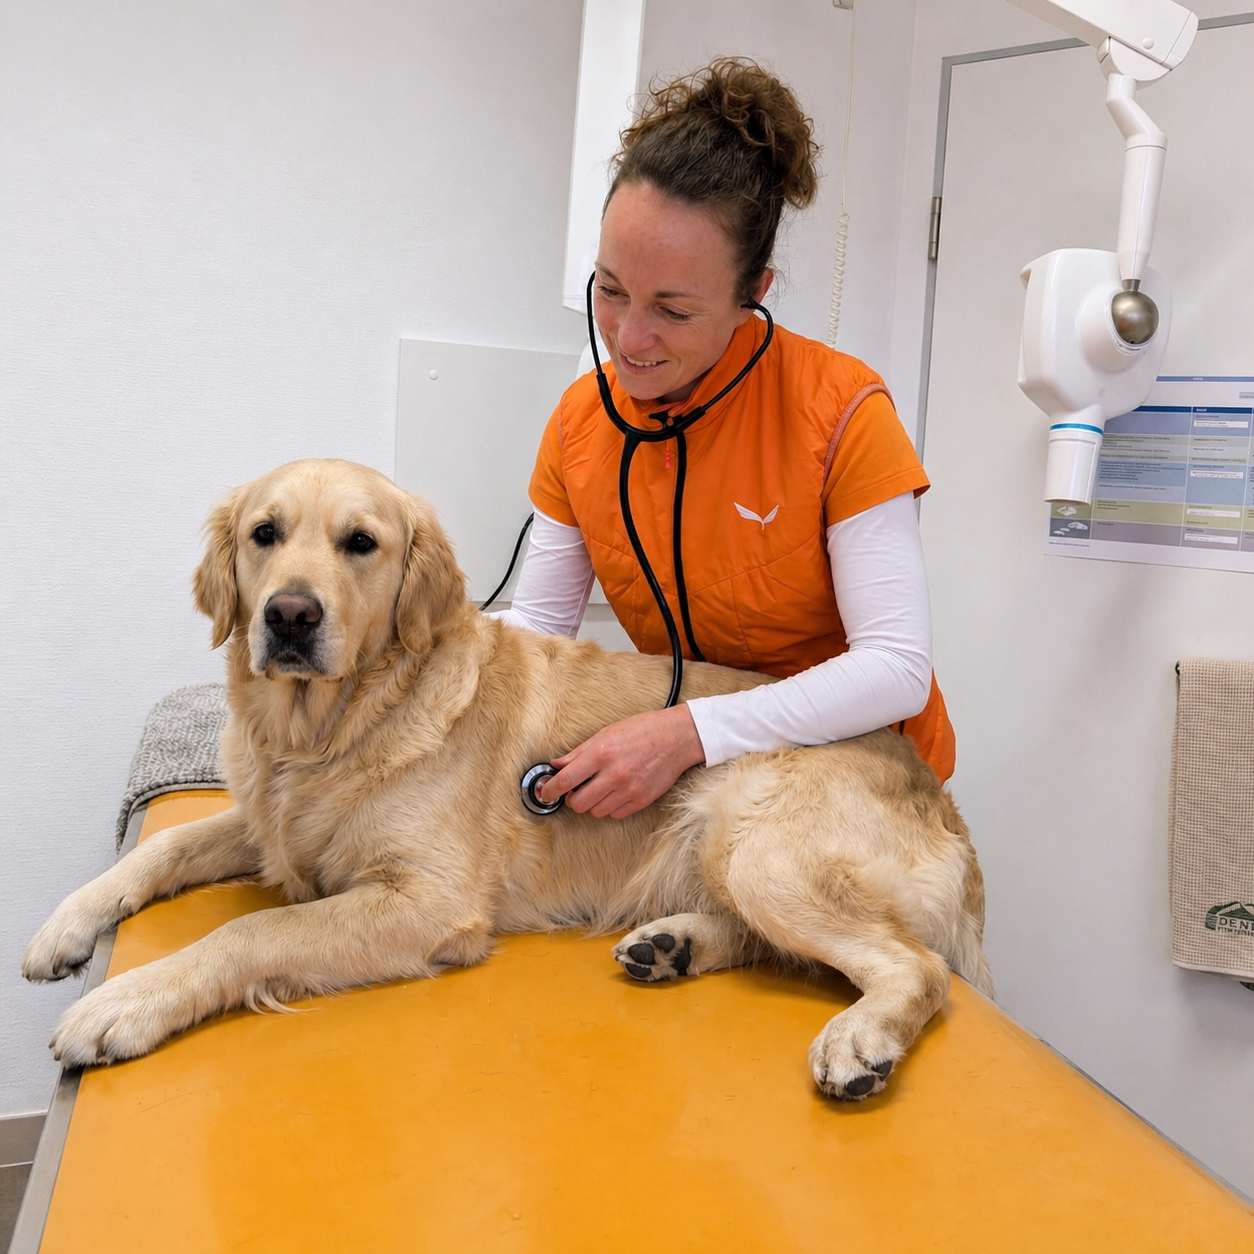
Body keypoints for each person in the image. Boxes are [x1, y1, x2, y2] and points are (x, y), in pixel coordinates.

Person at [498, 57, 954, 820]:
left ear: (753, 294)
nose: (628, 338)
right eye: (610, 289)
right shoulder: (581, 421)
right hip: (711, 784)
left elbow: (895, 668)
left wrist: (687, 733)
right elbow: (538, 632)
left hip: (866, 783)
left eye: (673, 311)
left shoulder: (840, 411)